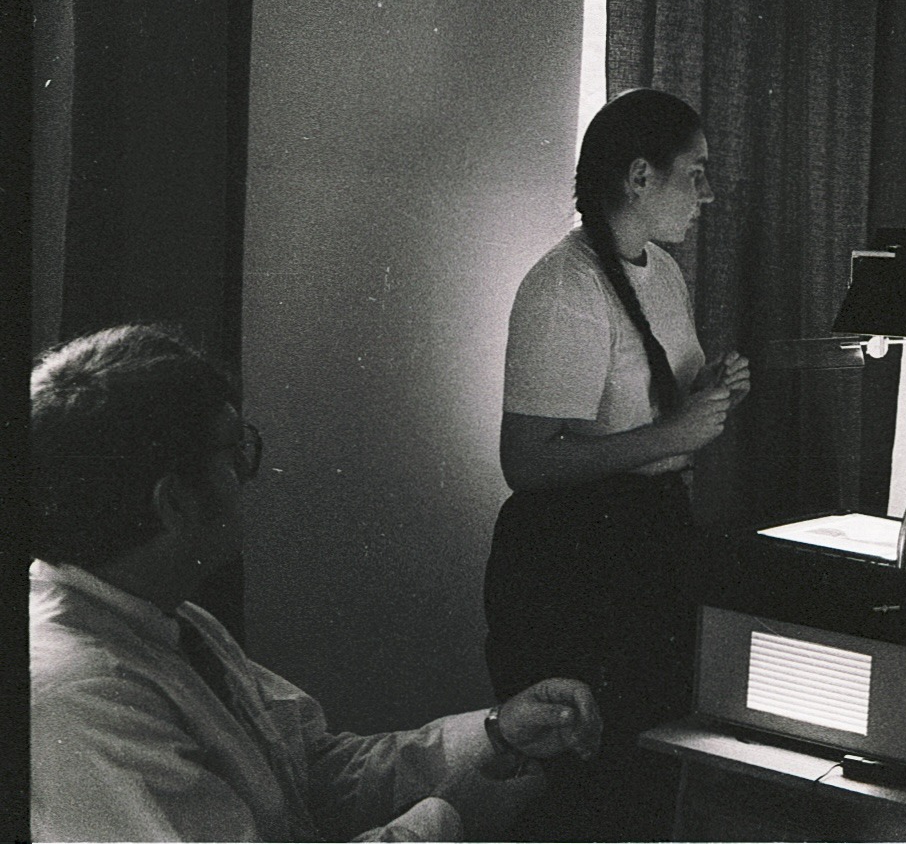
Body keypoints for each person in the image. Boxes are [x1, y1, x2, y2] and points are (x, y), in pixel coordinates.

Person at [29, 324, 605, 842]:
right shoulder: (81, 700)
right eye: (236, 454)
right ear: (175, 501)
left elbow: (311, 771)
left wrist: (497, 733)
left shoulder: (168, 618)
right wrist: (451, 819)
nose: (251, 475)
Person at [483, 87, 749, 841]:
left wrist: (712, 393)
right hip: (572, 560)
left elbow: (672, 416)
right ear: (640, 178)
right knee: (584, 783)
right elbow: (526, 461)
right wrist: (677, 432)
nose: (707, 192)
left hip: (651, 541)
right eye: (694, 172)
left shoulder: (660, 273)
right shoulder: (562, 287)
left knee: (649, 761)